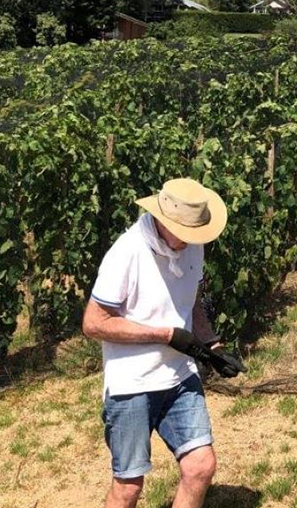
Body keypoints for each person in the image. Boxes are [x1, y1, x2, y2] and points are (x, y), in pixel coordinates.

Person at [83, 178, 245, 508]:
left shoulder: (192, 244)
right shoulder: (127, 253)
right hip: (132, 384)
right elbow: (93, 323)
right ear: (162, 220)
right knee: (129, 487)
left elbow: (193, 298)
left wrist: (210, 344)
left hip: (180, 377)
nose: (191, 240)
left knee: (200, 467)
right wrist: (166, 334)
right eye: (185, 233)